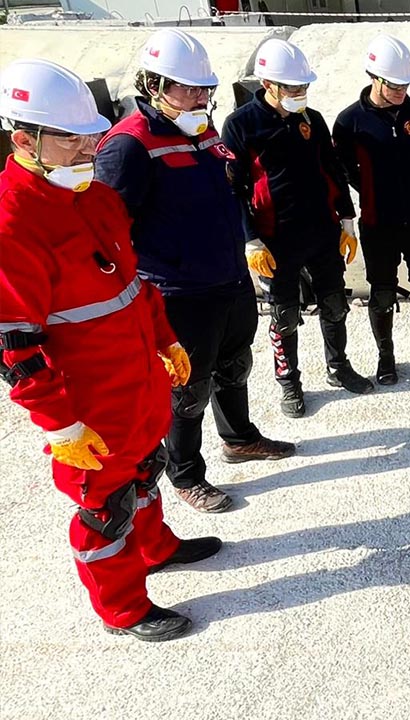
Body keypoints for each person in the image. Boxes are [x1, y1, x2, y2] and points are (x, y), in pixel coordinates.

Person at [0, 59, 222, 641]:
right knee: (106, 507)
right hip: (87, 400)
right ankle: (122, 608)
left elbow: (130, 283)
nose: (87, 146)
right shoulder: (12, 223)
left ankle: (157, 547)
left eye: (90, 133)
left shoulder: (94, 195)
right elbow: (16, 348)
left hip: (135, 378)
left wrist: (166, 339)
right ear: (25, 140)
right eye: (70, 137)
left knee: (146, 468)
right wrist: (61, 426)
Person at [95, 29, 295, 514]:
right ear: (153, 85)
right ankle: (186, 474)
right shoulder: (128, 146)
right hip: (179, 291)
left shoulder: (201, 130)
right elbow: (107, 234)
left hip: (227, 277)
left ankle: (240, 438)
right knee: (188, 388)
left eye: (205, 89)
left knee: (234, 365)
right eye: (188, 88)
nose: (200, 98)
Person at [222, 38, 374, 418]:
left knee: (335, 304)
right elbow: (232, 188)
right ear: (268, 84)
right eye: (293, 88)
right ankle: (289, 382)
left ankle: (338, 367)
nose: (301, 93)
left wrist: (347, 219)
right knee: (284, 315)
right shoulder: (241, 125)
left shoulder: (313, 120)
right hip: (275, 240)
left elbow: (333, 170)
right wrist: (249, 239)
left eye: (304, 87)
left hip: (321, 232)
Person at [334, 35, 410, 386]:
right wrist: (371, 192)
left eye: (406, 84)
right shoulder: (349, 122)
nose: (401, 90)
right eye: (394, 84)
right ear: (374, 77)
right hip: (378, 222)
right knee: (382, 293)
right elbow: (345, 171)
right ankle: (387, 357)